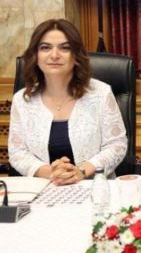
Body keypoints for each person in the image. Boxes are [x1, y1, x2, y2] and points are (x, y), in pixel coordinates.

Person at [8, 19, 128, 184]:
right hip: (41, 188)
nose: (54, 55)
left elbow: (117, 145)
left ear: (76, 56)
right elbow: (18, 153)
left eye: (64, 48)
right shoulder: (22, 100)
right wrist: (51, 173)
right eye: (45, 48)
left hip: (93, 187)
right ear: (35, 56)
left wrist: (81, 172)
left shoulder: (100, 93)